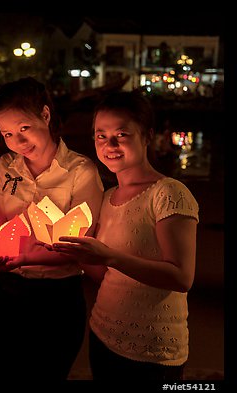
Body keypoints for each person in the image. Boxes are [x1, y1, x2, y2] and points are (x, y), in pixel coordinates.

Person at [52, 91, 199, 380]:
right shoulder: (107, 198)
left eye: (122, 134)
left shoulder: (169, 193)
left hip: (152, 348)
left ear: (147, 136)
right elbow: (106, 273)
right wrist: (76, 254)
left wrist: (110, 256)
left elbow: (182, 277)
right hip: (102, 332)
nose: (110, 144)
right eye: (100, 135)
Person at [0, 77, 104, 382]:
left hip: (57, 298)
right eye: (7, 133)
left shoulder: (79, 171)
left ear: (46, 115)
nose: (18, 141)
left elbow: (82, 246)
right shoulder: (4, 168)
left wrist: (25, 258)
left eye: (24, 128)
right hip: (8, 292)